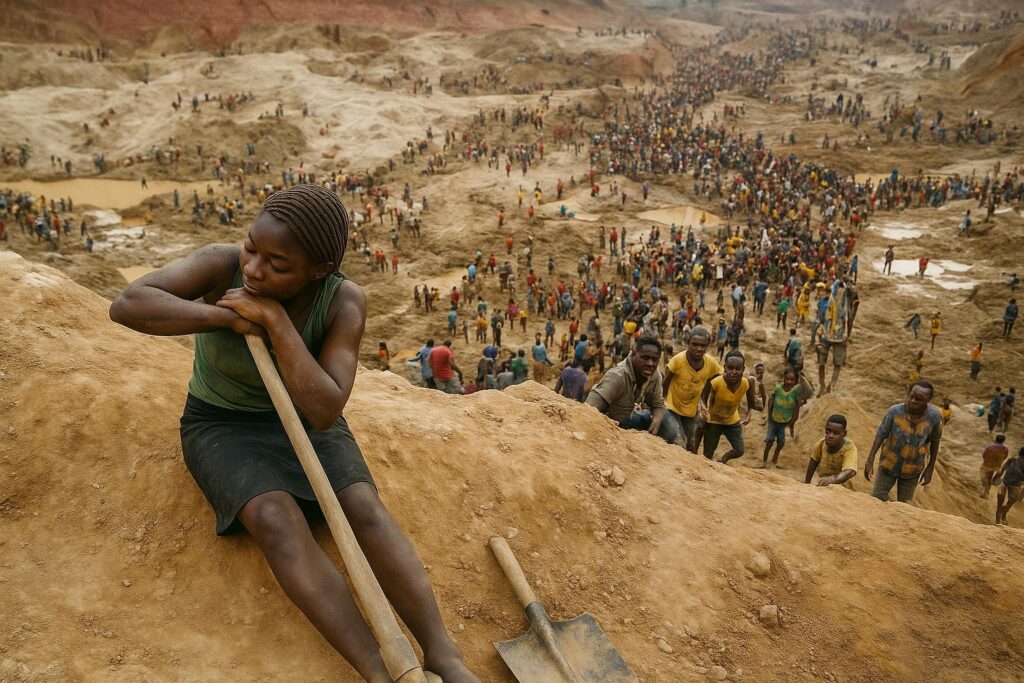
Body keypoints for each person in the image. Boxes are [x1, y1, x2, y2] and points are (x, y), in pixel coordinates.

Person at [107, 185, 476, 681]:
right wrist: (226, 317)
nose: (255, 269)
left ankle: (443, 655)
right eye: (251, 248)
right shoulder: (221, 264)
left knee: (363, 508)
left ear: (318, 270)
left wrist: (276, 324)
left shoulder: (343, 300)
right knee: (275, 518)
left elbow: (324, 408)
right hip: (222, 424)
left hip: (307, 419)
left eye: (277, 265)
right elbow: (129, 303)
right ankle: (381, 670)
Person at [585, 336, 677, 443]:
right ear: (633, 354)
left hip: (627, 420)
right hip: (609, 425)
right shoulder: (617, 377)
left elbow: (658, 405)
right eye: (645, 358)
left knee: (667, 428)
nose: (650, 364)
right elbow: (588, 410)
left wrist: (656, 422)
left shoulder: (654, 375)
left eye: (655, 360)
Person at [863, 380, 942, 503]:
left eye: (919, 399)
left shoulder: (934, 418)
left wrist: (930, 468)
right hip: (888, 464)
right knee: (876, 499)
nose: (913, 401)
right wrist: (870, 459)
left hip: (913, 469)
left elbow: (935, 443)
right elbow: (881, 434)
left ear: (928, 400)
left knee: (905, 505)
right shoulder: (894, 411)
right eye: (911, 396)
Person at [662, 327, 721, 452]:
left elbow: (716, 378)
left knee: (691, 446)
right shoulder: (678, 361)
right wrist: (661, 405)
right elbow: (664, 385)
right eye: (695, 344)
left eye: (703, 345)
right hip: (671, 408)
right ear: (688, 342)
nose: (698, 348)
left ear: (708, 346)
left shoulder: (711, 363)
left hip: (690, 411)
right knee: (678, 441)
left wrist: (704, 399)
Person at [703, 351, 758, 463]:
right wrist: (705, 413)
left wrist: (749, 413)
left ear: (743, 369)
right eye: (730, 368)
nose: (734, 372)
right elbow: (707, 399)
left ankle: (723, 461)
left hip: (732, 421)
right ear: (724, 368)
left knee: (739, 450)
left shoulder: (745, 383)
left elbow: (751, 395)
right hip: (713, 421)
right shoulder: (716, 382)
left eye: (738, 369)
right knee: (708, 453)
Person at [816, 279, 850, 396]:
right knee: (836, 365)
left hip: (828, 335)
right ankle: (831, 386)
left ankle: (823, 386)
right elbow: (848, 320)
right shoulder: (845, 304)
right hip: (839, 337)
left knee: (822, 362)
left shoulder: (826, 302)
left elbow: (821, 317)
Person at [762, 367, 801, 468]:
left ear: (795, 381)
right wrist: (768, 415)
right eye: (787, 379)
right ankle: (764, 461)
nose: (789, 382)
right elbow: (771, 400)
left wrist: (793, 421)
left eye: (792, 380)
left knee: (781, 443)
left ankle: (774, 460)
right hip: (773, 419)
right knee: (770, 441)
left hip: (784, 422)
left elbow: (797, 406)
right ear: (784, 378)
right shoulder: (778, 388)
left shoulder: (795, 392)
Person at [804, 415, 858, 487]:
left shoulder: (849, 447)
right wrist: (807, 483)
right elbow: (813, 461)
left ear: (844, 434)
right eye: (828, 431)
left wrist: (832, 479)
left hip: (842, 487)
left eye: (836, 433)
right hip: (823, 485)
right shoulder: (821, 443)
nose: (831, 435)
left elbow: (850, 471)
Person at [993, 447, 1024, 525]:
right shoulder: (1012, 461)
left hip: (1004, 483)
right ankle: (1003, 515)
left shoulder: (1011, 460)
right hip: (1016, 486)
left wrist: (994, 479)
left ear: (1019, 452)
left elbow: (1000, 472)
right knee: (1010, 502)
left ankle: (997, 522)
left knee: (999, 504)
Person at [979, 435, 1009, 499]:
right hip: (997, 466)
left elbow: (984, 455)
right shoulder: (1006, 449)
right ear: (1003, 441)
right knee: (989, 477)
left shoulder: (989, 447)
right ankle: (986, 492)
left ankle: (985, 490)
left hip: (987, 464)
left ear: (995, 439)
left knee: (984, 477)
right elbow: (1005, 457)